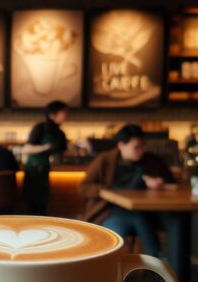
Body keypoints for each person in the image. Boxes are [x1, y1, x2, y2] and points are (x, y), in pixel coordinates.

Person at [79, 124, 174, 257]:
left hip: (145, 210)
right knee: (135, 221)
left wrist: (160, 182)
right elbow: (83, 187)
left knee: (141, 216)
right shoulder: (105, 160)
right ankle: (156, 258)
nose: (140, 151)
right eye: (136, 147)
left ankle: (155, 260)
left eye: (142, 146)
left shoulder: (151, 160)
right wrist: (104, 191)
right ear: (121, 146)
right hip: (109, 210)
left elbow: (170, 181)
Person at [23, 101, 68, 215]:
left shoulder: (60, 133)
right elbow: (27, 149)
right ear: (52, 115)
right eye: (63, 112)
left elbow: (62, 152)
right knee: (31, 205)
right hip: (33, 170)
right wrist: (46, 147)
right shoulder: (40, 128)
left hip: (45, 170)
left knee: (43, 204)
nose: (66, 115)